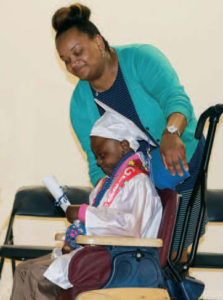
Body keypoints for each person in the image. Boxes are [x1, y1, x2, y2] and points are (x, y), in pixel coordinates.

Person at [52, 2, 207, 261]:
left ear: (99, 43)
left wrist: (171, 132)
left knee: (170, 248)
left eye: (77, 52)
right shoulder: (80, 104)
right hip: (134, 180)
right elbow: (96, 164)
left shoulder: (141, 59)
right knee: (135, 242)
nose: (73, 64)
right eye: (66, 60)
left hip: (178, 154)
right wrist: (102, 203)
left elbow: (177, 101)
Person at [10, 105, 162, 299]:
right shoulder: (104, 186)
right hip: (96, 253)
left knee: (39, 277)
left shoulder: (138, 182)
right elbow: (99, 226)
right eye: (96, 156)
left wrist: (84, 214)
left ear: (124, 146)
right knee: (23, 270)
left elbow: (131, 227)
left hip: (122, 260)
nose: (98, 162)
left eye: (102, 154)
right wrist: (74, 240)